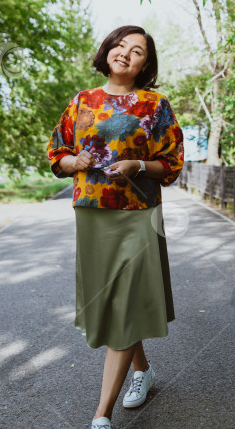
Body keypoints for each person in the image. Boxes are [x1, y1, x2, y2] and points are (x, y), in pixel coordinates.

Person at [46, 25, 185, 429]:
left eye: (137, 50)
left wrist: (138, 165)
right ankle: (142, 370)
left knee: (126, 301)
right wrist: (74, 163)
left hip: (138, 212)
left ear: (145, 64)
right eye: (120, 45)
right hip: (92, 211)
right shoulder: (82, 101)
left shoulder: (154, 105)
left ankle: (101, 416)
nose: (126, 53)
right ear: (108, 50)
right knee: (113, 303)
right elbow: (58, 152)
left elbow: (172, 163)